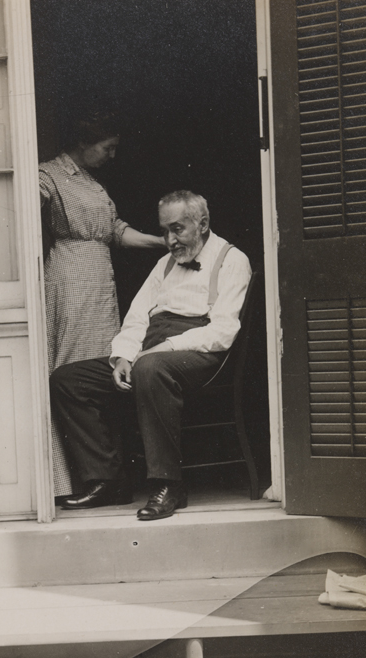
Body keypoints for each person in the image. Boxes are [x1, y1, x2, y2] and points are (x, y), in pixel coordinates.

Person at [50, 190, 252, 520]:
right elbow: (138, 317)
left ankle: (168, 485)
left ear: (202, 224)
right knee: (68, 380)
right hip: (150, 351)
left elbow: (222, 332)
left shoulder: (232, 260)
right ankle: (108, 480)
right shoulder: (164, 264)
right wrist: (123, 357)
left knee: (152, 369)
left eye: (177, 229)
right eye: (164, 231)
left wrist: (163, 349)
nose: (170, 240)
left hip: (198, 353)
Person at [39, 113, 166, 495]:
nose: (112, 156)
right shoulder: (48, 174)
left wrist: (164, 243)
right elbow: (20, 201)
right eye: (107, 148)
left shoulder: (94, 183)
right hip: (72, 279)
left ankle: (107, 475)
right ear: (83, 142)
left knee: (104, 371)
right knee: (74, 370)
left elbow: (117, 232)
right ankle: (82, 477)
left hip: (99, 282)